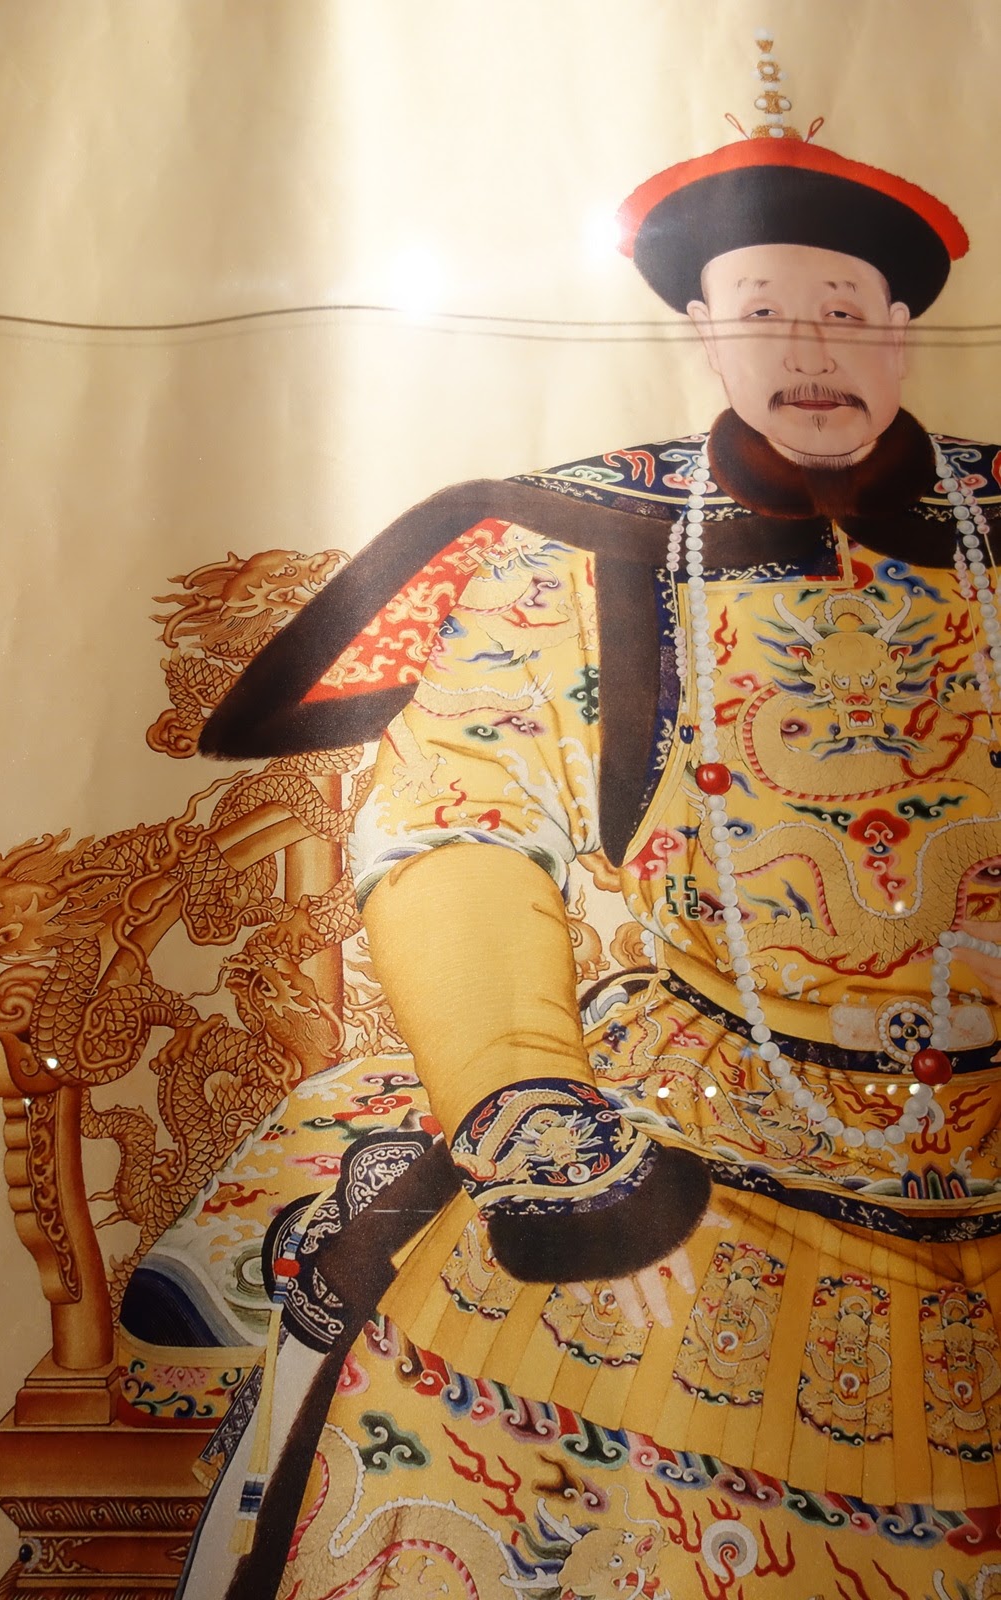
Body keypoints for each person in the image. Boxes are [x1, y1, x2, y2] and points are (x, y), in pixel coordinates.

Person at [157, 71, 1001, 1600]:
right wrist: (524, 1096)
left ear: (902, 329)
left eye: (844, 312)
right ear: (704, 333)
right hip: (703, 1125)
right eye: (764, 313)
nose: (809, 353)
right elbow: (457, 818)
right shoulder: (581, 544)